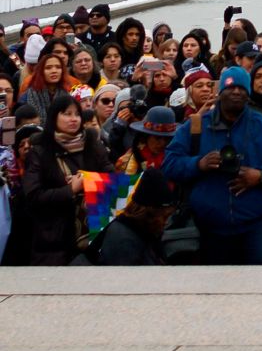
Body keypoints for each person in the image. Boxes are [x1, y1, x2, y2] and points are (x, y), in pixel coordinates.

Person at [162, 66, 262, 265]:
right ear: (220, 92)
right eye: (230, 88)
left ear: (248, 93)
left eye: (242, 89)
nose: (236, 92)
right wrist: (198, 163)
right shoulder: (196, 126)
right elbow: (170, 164)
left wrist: (260, 175)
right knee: (213, 292)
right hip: (209, 227)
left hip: (256, 225)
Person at [20, 91, 114, 264]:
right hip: (53, 239)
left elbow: (111, 178)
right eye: (67, 114)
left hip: (93, 232)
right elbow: (33, 196)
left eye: (77, 114)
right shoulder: (39, 152)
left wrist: (89, 180)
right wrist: (70, 190)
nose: (74, 119)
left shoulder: (92, 145)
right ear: (53, 117)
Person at [95, 168, 178, 265]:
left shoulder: (144, 232)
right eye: (164, 217)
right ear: (150, 213)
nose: (166, 222)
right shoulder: (124, 242)